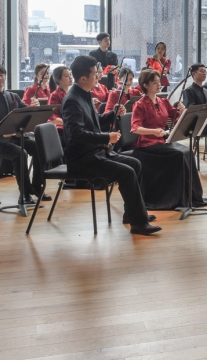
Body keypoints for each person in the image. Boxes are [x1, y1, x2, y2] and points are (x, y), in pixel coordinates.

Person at [62, 55, 160, 235]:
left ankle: (131, 214)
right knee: (126, 172)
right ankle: (139, 223)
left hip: (95, 153)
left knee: (135, 164)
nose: (98, 77)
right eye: (94, 74)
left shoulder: (84, 94)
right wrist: (107, 138)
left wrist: (112, 114)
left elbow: (94, 121)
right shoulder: (72, 100)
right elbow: (76, 134)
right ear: (83, 78)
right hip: (82, 159)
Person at [131, 69, 207, 209]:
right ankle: (175, 198)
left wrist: (181, 110)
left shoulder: (163, 101)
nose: (158, 84)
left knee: (188, 152)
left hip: (161, 141)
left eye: (158, 81)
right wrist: (154, 132)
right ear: (145, 85)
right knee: (178, 154)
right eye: (154, 82)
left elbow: (176, 117)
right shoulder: (140, 104)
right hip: (146, 144)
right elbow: (135, 128)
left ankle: (192, 196)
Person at [0, 63, 48, 204]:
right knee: (20, 153)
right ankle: (25, 194)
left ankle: (36, 187)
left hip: (14, 137)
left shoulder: (13, 96)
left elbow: (25, 115)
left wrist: (33, 109)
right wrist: (2, 131)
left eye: (1, 75)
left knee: (40, 148)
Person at [46, 66, 72, 136]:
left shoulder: (74, 93)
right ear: (58, 80)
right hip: (62, 129)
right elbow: (52, 117)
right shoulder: (55, 95)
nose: (70, 77)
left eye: (70, 74)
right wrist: (70, 123)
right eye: (66, 76)